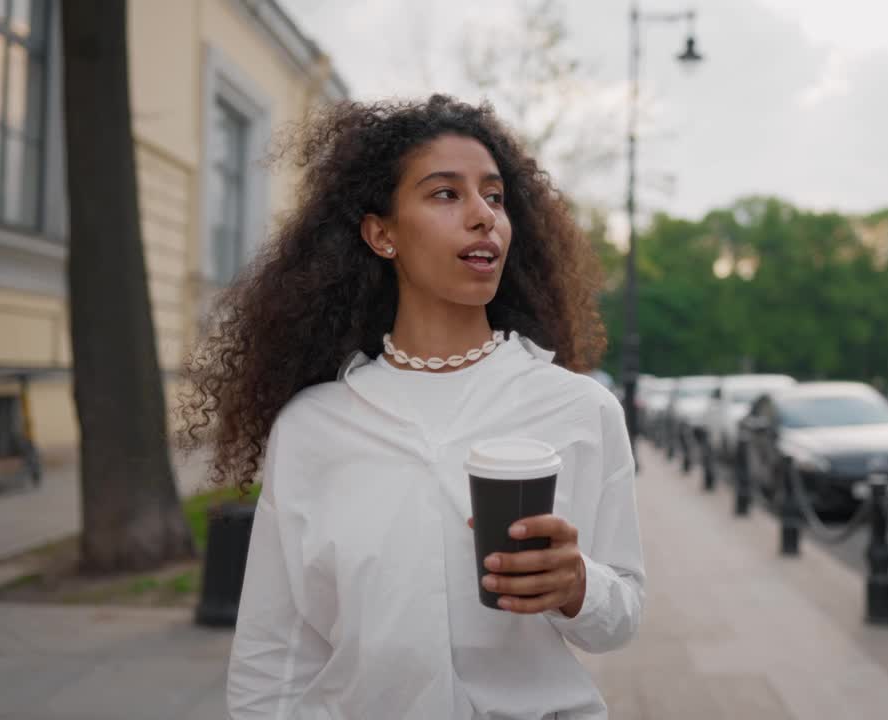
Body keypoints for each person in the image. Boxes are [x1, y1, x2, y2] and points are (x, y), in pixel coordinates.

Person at [178, 95, 644, 719]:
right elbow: (275, 649)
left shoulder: (579, 410)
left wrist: (579, 585)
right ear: (382, 233)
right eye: (446, 194)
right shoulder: (315, 426)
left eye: (495, 196)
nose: (484, 216)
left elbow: (620, 616)